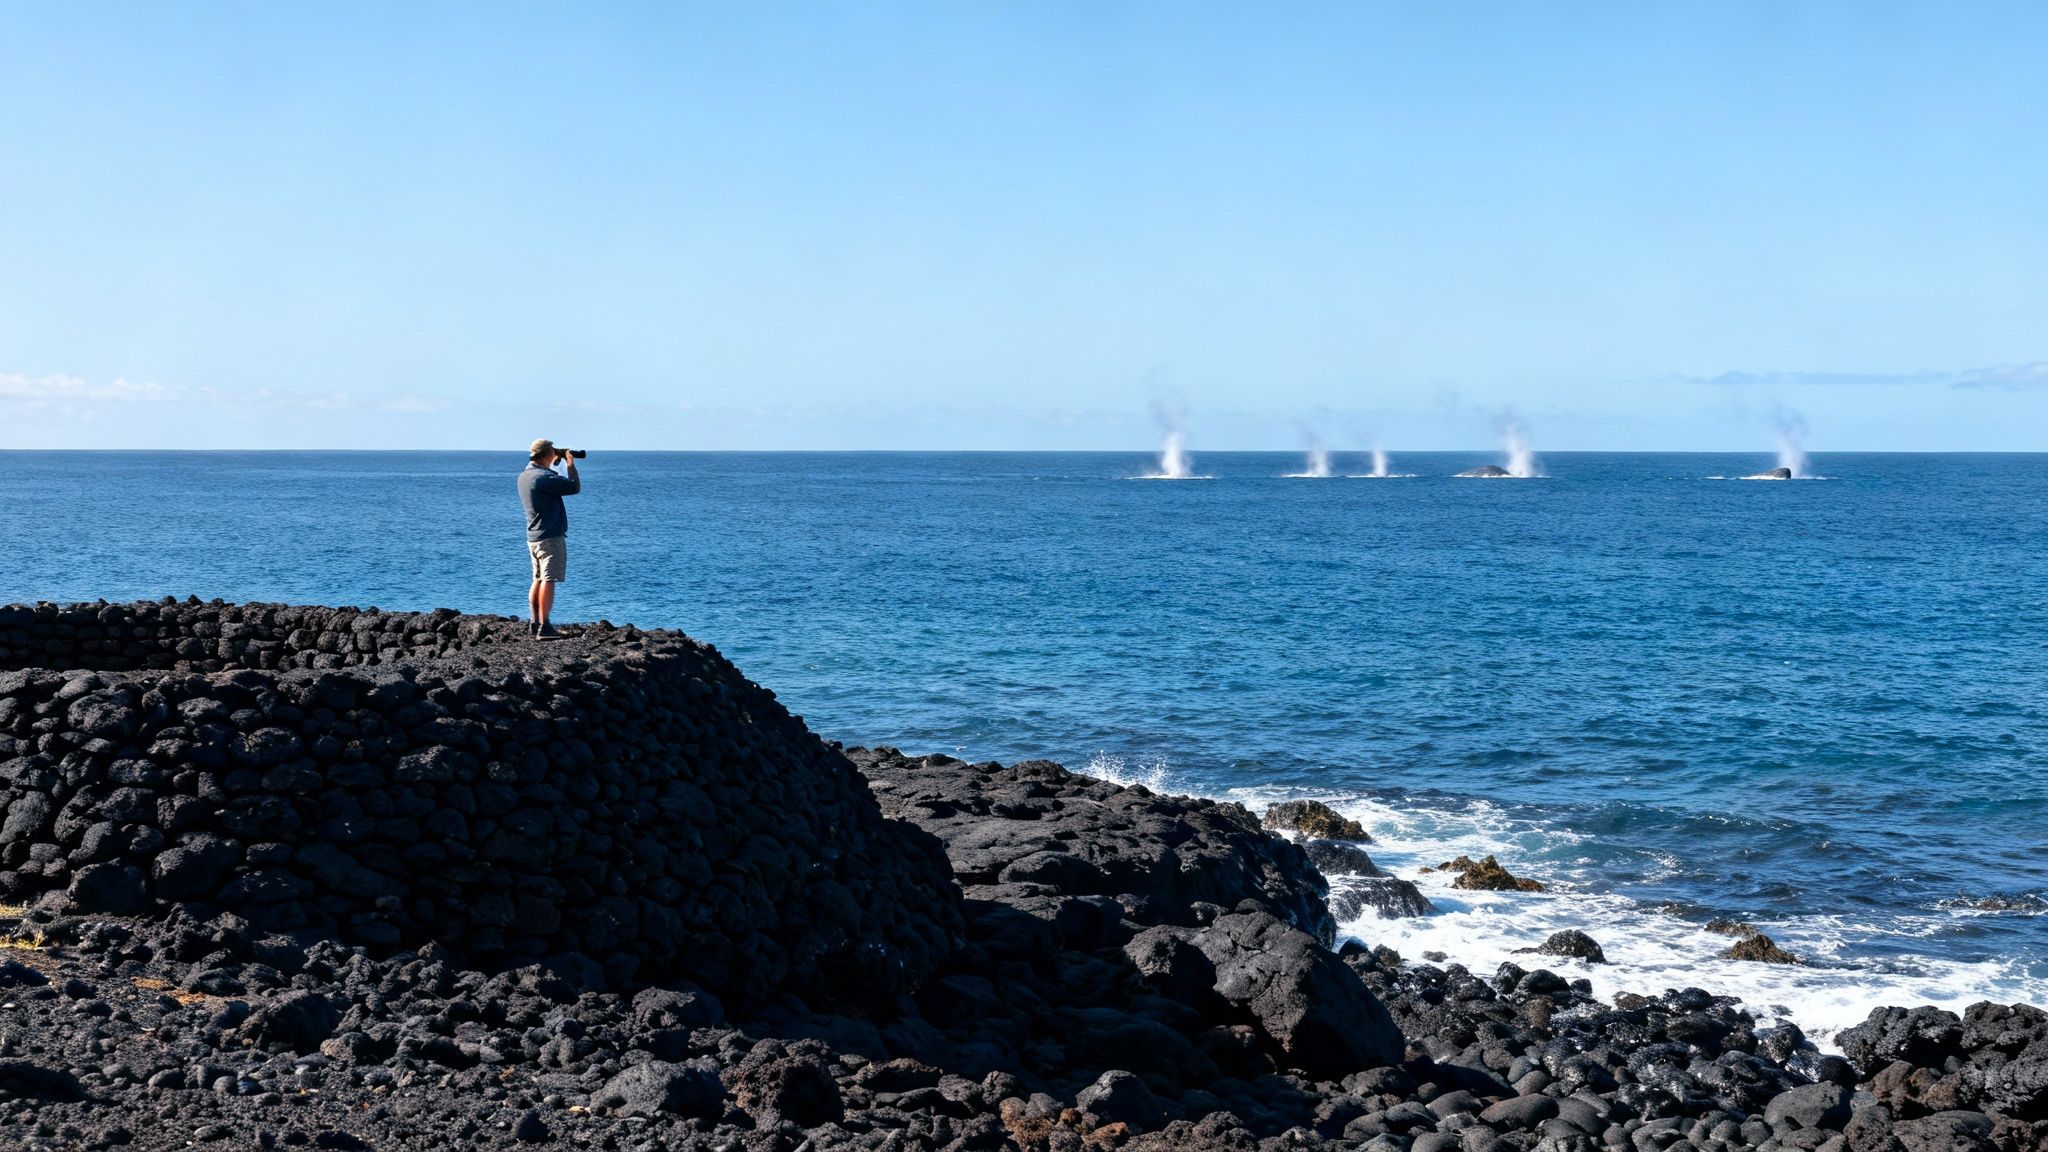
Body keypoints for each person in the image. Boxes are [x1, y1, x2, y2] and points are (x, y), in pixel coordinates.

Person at [518, 439, 581, 639]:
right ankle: (545, 627)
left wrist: (555, 460)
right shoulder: (542, 477)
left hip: (533, 536)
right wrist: (569, 462)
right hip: (549, 536)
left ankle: (534, 621)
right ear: (546, 455)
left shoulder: (524, 476)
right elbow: (573, 487)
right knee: (548, 578)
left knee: (537, 578)